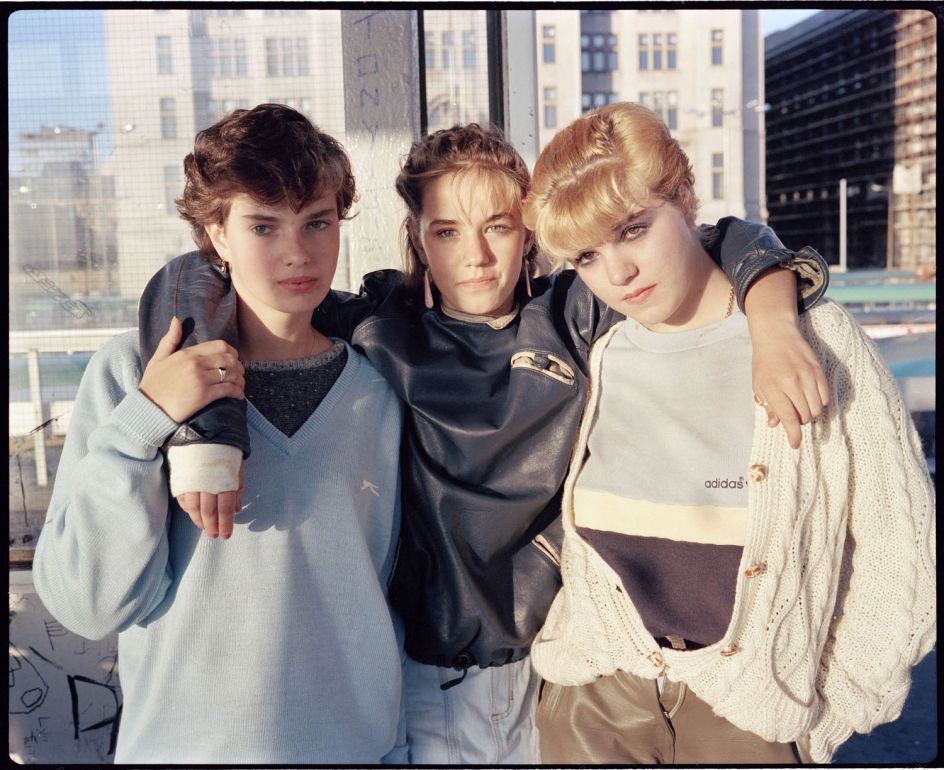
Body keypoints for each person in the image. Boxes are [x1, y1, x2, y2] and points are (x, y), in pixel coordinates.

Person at [136, 118, 831, 763]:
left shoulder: (573, 313)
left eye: (497, 226)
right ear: (417, 240)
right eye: (446, 232)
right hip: (419, 681)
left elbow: (720, 240)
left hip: (551, 674)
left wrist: (773, 324)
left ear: (528, 234)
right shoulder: (379, 325)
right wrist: (205, 436)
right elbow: (193, 276)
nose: (475, 256)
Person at [523, 102, 936, 764]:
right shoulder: (604, 349)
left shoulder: (815, 339)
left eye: (634, 230)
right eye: (588, 256)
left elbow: (898, 537)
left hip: (751, 712)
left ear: (685, 198)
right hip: (595, 698)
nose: (618, 273)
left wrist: (838, 701)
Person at [32, 105, 407, 764]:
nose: (298, 252)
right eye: (263, 225)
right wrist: (147, 416)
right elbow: (87, 605)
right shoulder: (133, 372)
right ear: (217, 234)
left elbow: (389, 597)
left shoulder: (380, 391)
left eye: (317, 222)